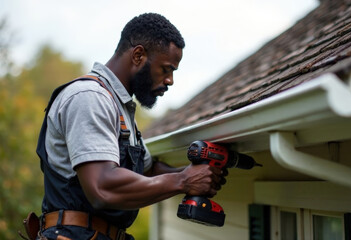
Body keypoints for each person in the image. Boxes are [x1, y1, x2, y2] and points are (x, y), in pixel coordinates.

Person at [35, 13, 225, 240]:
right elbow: (101, 186)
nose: (170, 80)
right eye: (166, 69)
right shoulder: (90, 98)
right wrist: (183, 180)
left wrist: (198, 174)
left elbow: (148, 171)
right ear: (138, 55)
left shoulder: (121, 109)